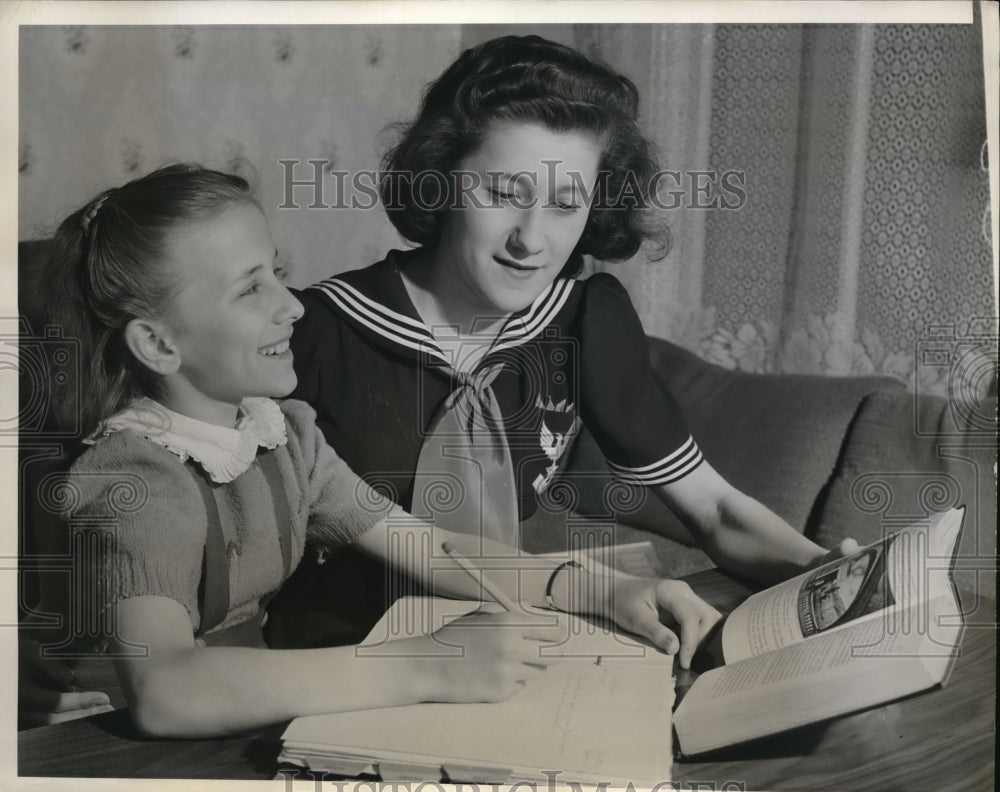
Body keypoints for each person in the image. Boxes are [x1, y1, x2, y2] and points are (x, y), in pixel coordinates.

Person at [19, 163, 721, 736]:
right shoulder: (134, 477)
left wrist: (612, 592)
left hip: (238, 721)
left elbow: (431, 549)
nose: (291, 305)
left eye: (276, 272)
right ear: (159, 344)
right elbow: (167, 690)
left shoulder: (282, 433)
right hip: (90, 748)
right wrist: (425, 666)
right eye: (250, 289)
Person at [284, 32, 856, 635]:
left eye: (566, 204)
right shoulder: (312, 334)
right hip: (331, 668)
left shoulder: (584, 325)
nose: (531, 240)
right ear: (441, 179)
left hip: (505, 650)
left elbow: (713, 508)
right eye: (505, 194)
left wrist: (821, 568)